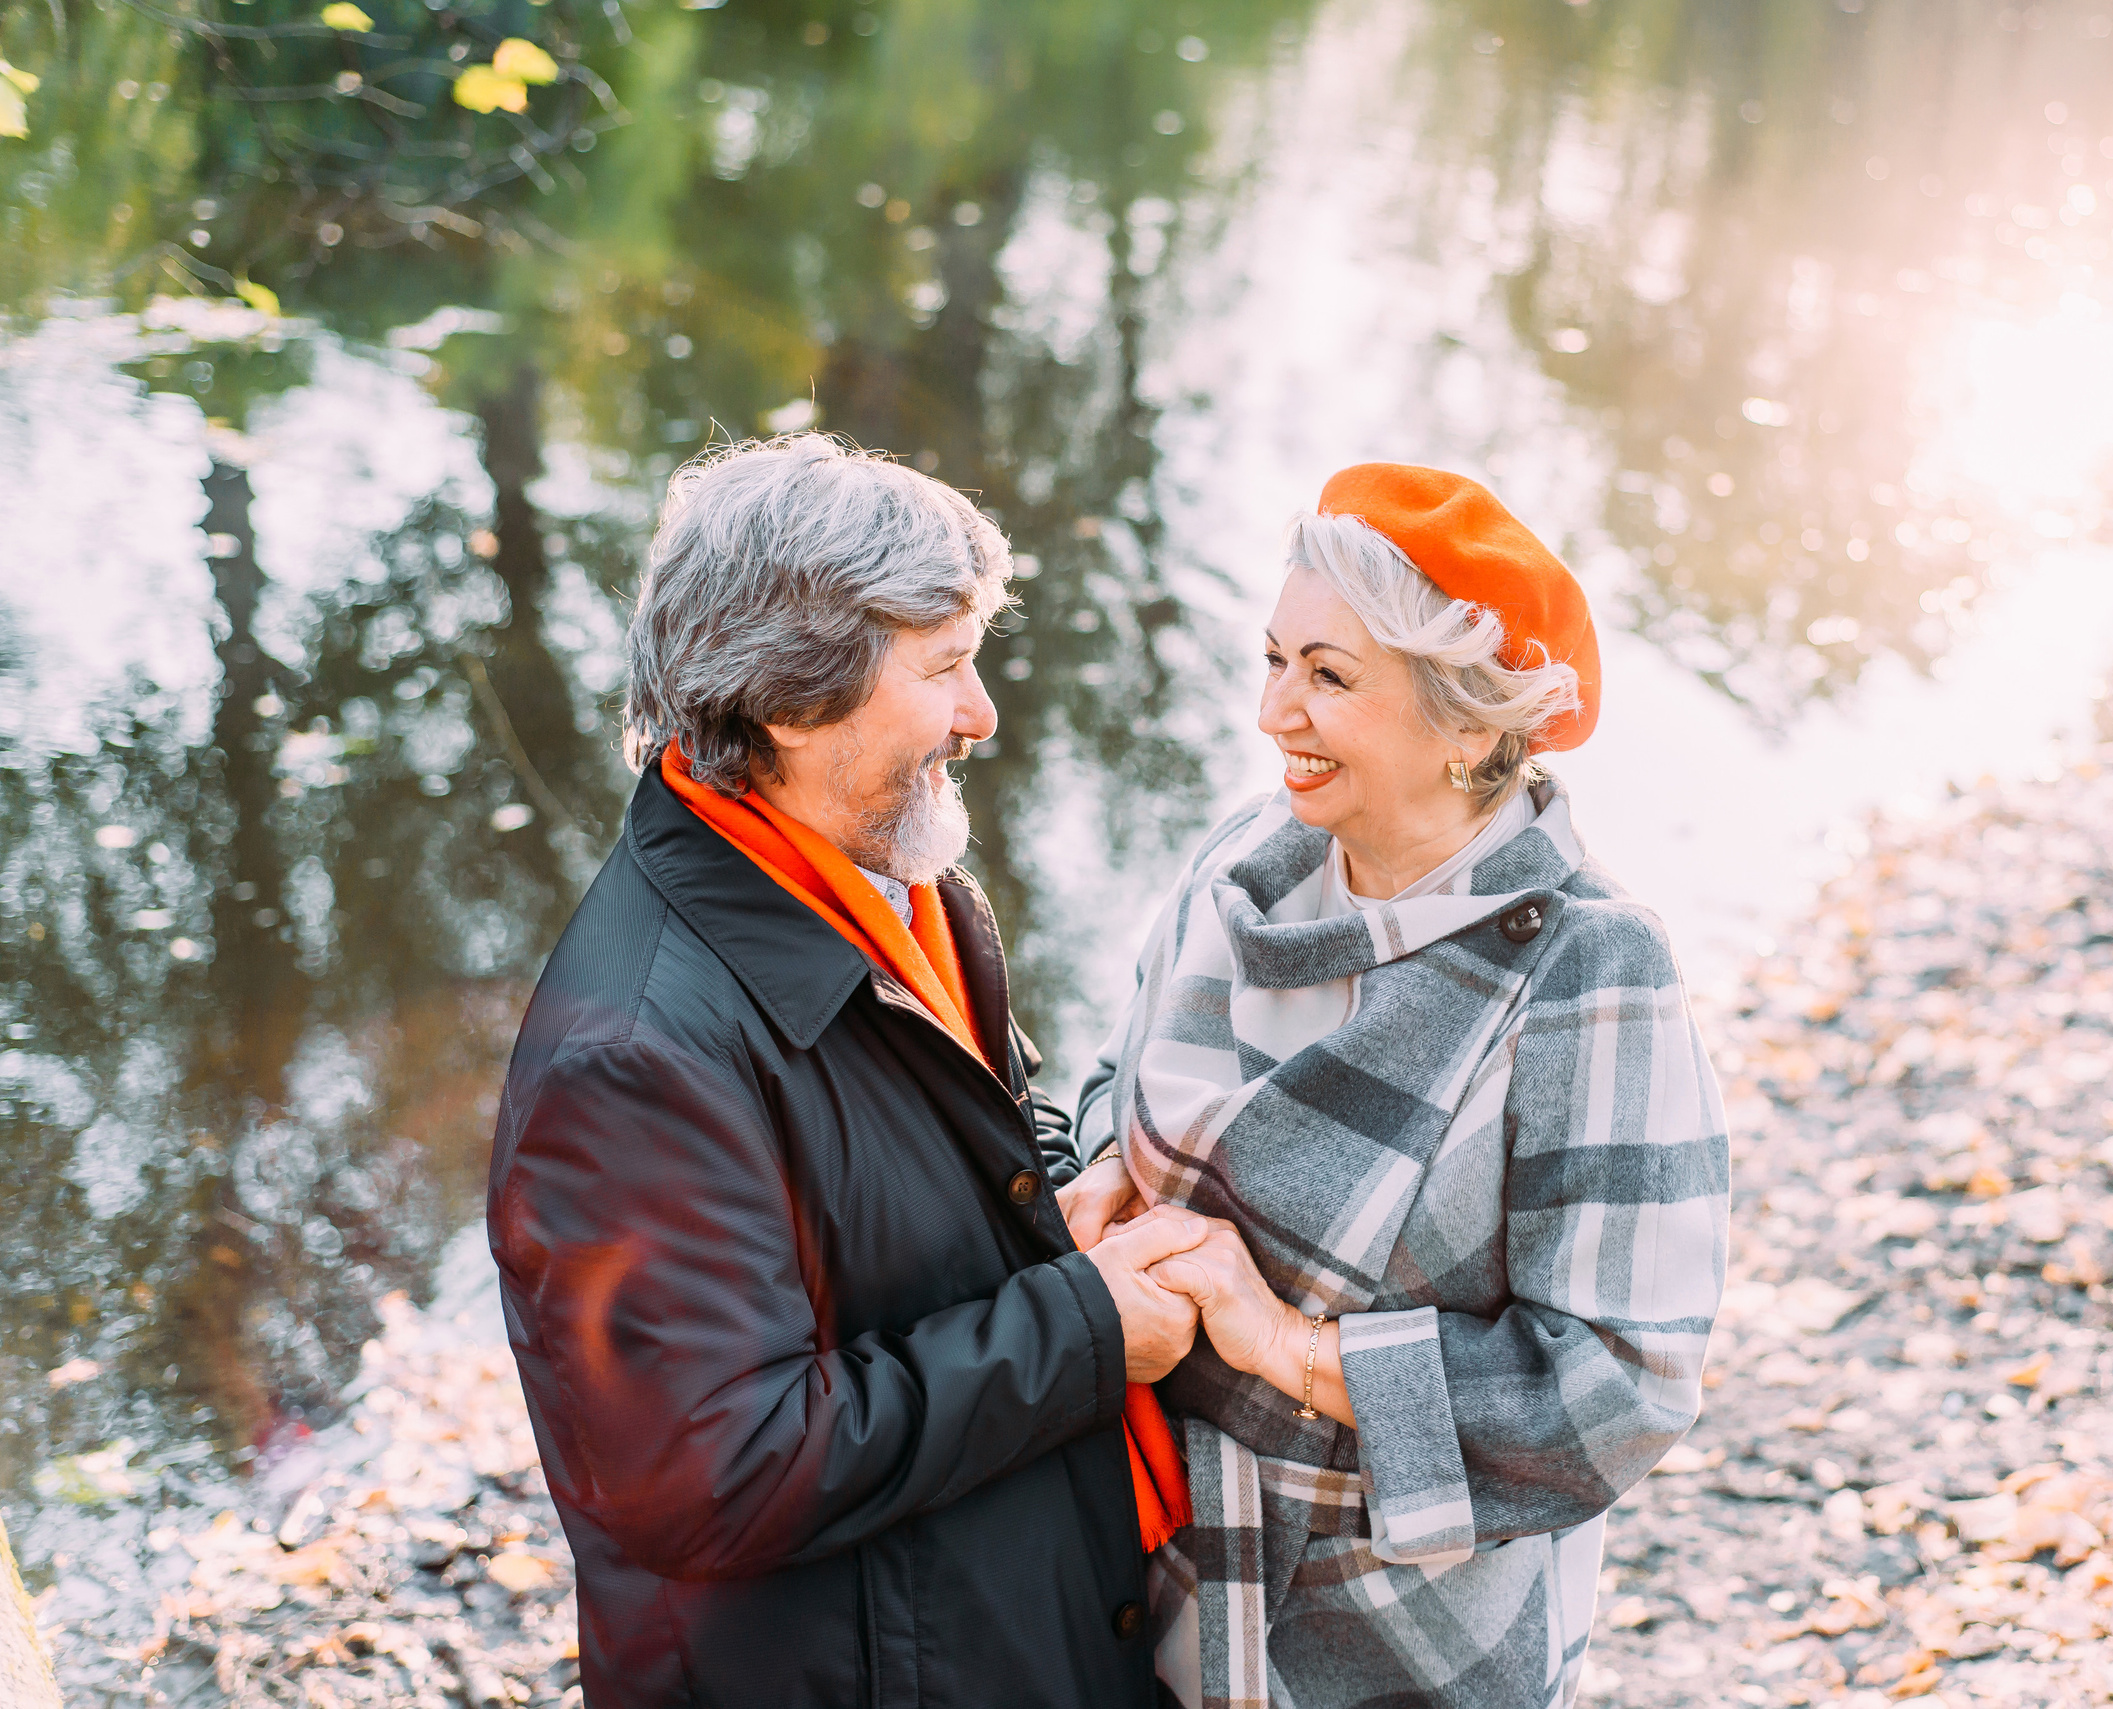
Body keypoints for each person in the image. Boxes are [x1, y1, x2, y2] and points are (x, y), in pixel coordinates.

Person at [487, 435, 1206, 1709]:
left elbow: (948, 1152)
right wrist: (1090, 1329)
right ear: (789, 696)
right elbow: (719, 1470)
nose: (982, 711)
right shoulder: (632, 1063)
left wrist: (1069, 1185)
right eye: (943, 667)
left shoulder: (884, 886)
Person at [1072, 464, 1731, 1709]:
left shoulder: (1589, 967)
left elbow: (1617, 1385)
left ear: (1470, 725)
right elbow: (1120, 1071)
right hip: (1132, 1549)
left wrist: (1280, 1340)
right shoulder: (1242, 860)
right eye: (1272, 658)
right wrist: (1109, 1174)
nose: (1274, 711)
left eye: (1329, 675)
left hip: (1395, 1639)